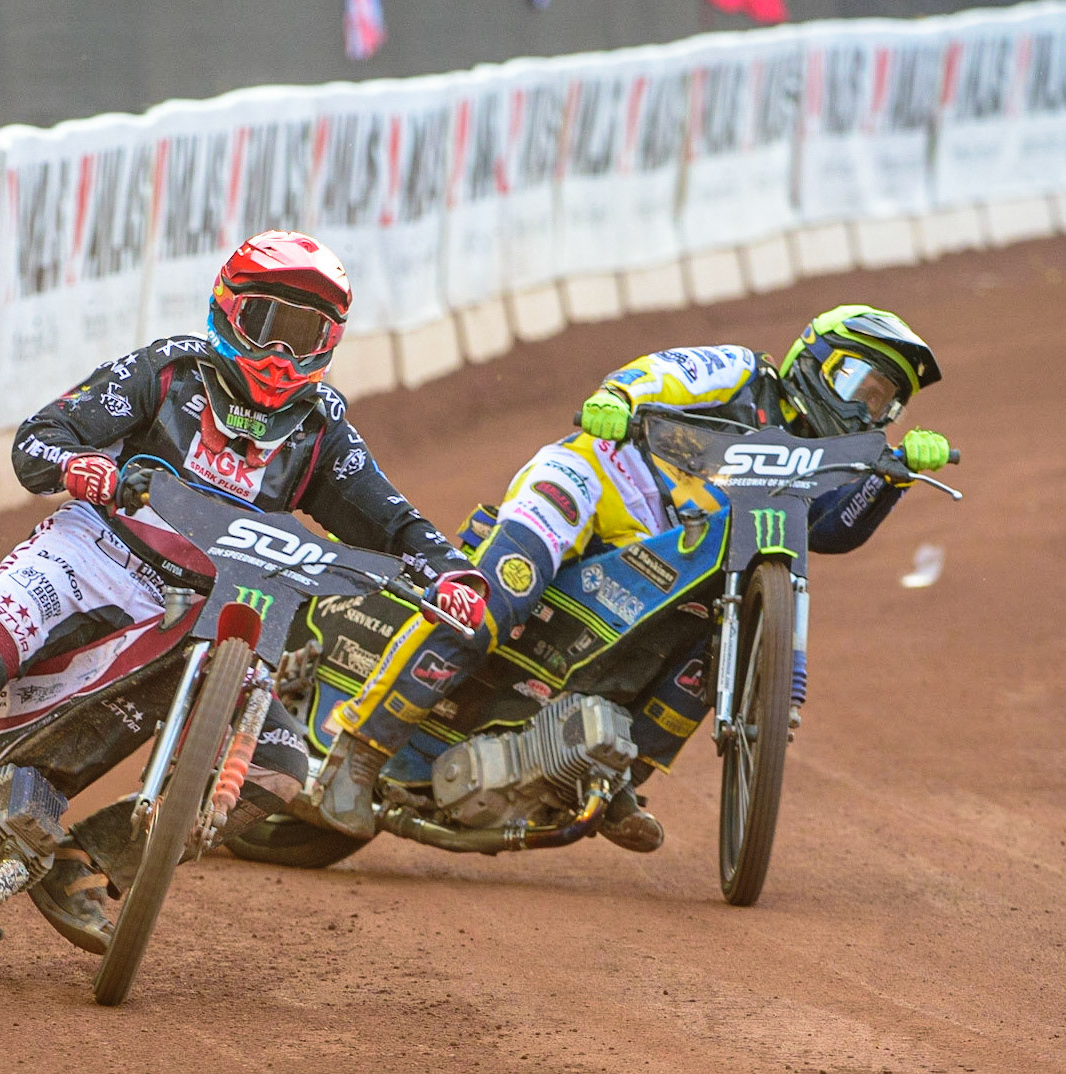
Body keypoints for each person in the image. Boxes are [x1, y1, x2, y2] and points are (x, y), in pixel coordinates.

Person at [0, 230, 488, 952]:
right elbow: (38, 439)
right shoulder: (167, 371)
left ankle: (82, 864)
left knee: (278, 771)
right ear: (228, 310)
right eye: (266, 323)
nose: (282, 351)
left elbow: (393, 522)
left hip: (219, 604)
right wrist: (80, 465)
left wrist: (451, 571)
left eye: (307, 334)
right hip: (97, 553)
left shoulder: (321, 431)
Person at [314, 304, 951, 850]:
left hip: (675, 557)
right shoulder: (743, 373)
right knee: (496, 595)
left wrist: (888, 479)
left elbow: (832, 532)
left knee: (715, 642)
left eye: (884, 401)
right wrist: (619, 396)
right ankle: (358, 755)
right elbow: (667, 373)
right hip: (598, 481)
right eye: (859, 383)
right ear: (817, 359)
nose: (868, 408)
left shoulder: (828, 466)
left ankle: (612, 778)